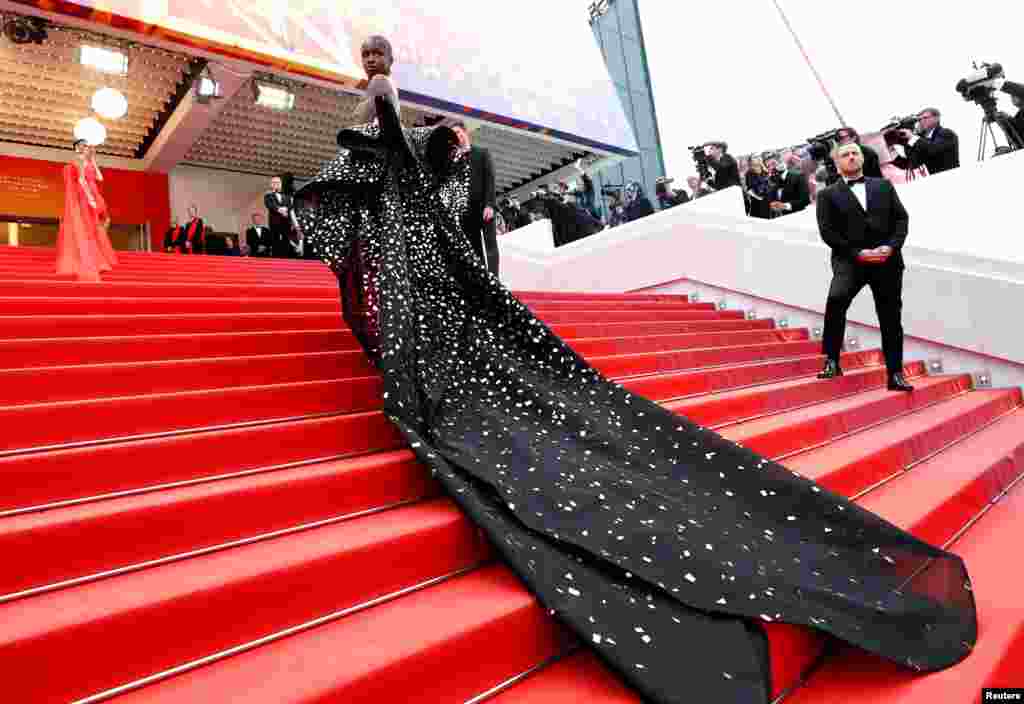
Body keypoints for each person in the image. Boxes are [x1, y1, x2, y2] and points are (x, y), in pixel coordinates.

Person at [294, 34, 975, 704]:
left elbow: (388, 162)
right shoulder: (401, 136)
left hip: (426, 280)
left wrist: (390, 127)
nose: (375, 69)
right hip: (430, 274)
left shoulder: (386, 119)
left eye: (376, 62)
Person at [816, 142, 913, 392]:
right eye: (845, 154)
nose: (851, 157)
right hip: (850, 262)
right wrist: (858, 253)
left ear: (862, 157)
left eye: (854, 153)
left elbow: (901, 219)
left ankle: (895, 374)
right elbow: (827, 232)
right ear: (837, 163)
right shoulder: (827, 195)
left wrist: (891, 247)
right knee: (836, 300)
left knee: (891, 317)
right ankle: (832, 360)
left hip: (887, 262)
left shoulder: (883, 185)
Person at [55, 139, 119, 281]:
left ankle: (95, 257)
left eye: (86, 145)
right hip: (84, 194)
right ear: (77, 147)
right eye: (83, 145)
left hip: (93, 191)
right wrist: (90, 198)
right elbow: (81, 180)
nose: (86, 147)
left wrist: (93, 160)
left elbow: (99, 177)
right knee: (87, 224)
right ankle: (86, 257)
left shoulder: (88, 161)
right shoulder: (77, 160)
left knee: (94, 224)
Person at [444, 119, 499, 277]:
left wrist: (490, 205)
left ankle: (494, 280)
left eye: (458, 132)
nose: (457, 136)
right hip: (467, 213)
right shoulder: (454, 160)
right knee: (474, 249)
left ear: (465, 132)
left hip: (485, 207)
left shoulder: (482, 153)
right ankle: (482, 281)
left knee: (490, 245)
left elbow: (490, 180)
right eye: (453, 135)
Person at [891, 108, 960, 175]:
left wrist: (912, 137)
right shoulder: (920, 139)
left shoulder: (947, 133)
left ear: (936, 119)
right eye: (919, 120)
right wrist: (892, 149)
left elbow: (933, 149)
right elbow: (912, 163)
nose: (921, 121)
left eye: (925, 118)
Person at [264, 176, 296, 258]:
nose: (277, 184)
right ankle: (276, 259)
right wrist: (280, 209)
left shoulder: (287, 196)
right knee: (275, 241)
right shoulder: (268, 195)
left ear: (281, 184)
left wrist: (286, 210)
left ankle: (286, 259)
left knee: (286, 241)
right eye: (274, 183)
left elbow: (290, 206)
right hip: (274, 223)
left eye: (278, 182)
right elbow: (269, 205)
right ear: (271, 185)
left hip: (286, 222)